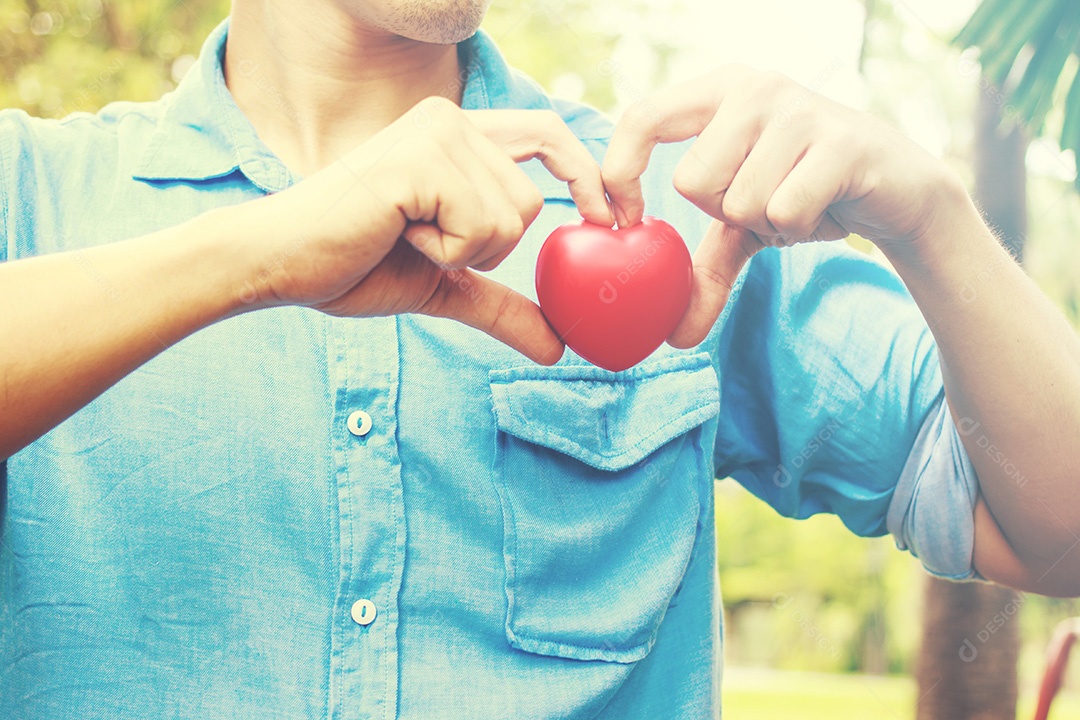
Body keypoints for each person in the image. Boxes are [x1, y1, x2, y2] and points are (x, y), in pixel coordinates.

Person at [1, 1, 1078, 717]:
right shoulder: (32, 196)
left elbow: (1063, 537)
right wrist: (254, 255)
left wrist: (931, 221)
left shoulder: (690, 223)